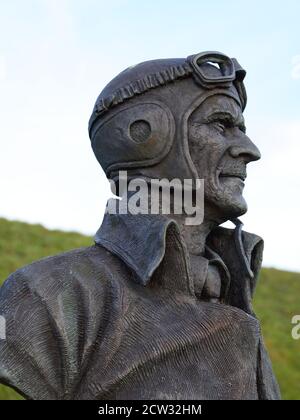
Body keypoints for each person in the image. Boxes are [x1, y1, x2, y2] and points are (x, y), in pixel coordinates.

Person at [0, 51, 280, 400]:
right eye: (221, 125)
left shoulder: (230, 288)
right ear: (145, 135)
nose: (249, 149)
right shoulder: (45, 295)